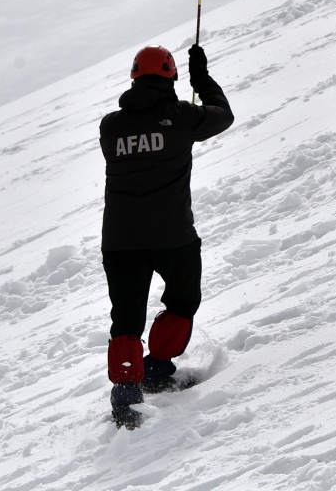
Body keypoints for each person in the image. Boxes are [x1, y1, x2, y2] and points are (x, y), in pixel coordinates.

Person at [99, 43, 233, 427]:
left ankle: (125, 398)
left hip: (120, 240)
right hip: (173, 234)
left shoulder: (110, 126)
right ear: (170, 76)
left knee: (125, 319)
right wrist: (202, 78)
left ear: (134, 77)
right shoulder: (181, 117)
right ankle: (158, 369)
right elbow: (223, 116)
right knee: (182, 300)